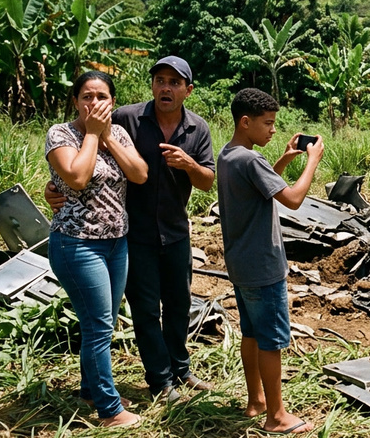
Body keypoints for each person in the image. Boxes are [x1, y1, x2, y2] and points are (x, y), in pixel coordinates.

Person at [47, 56, 216, 401]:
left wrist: (189, 165)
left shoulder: (197, 128)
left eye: (174, 82)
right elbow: (75, 171)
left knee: (179, 304)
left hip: (174, 231)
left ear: (188, 90)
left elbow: (207, 181)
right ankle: (160, 380)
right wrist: (54, 189)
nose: (165, 87)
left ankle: (180, 368)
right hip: (131, 235)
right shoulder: (126, 119)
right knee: (145, 309)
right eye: (159, 80)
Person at [45, 71, 148, 427]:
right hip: (76, 244)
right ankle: (109, 409)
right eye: (86, 96)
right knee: (99, 327)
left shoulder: (118, 132)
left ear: (112, 102)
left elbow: (139, 174)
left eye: (101, 97)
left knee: (99, 323)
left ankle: (90, 389)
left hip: (116, 243)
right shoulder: (61, 134)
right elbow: (76, 177)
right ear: (76, 101)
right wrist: (91, 134)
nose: (94, 103)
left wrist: (107, 136)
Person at [217, 88, 321, 434]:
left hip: (241, 263)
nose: (273, 130)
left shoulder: (229, 154)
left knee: (251, 333)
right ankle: (276, 416)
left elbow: (262, 185)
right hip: (263, 264)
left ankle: (256, 400)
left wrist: (286, 159)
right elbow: (291, 199)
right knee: (272, 340)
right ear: (245, 122)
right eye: (268, 123)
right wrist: (312, 163)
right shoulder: (250, 160)